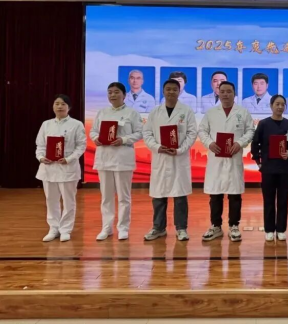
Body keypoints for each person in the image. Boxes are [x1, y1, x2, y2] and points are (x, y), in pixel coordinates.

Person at [198, 81, 255, 242]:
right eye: (222, 91)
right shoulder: (211, 113)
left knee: (235, 195)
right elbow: (202, 130)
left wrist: (240, 143)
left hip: (234, 158)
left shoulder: (242, 112)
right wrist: (210, 143)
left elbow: (250, 130)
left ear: (234, 94)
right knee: (215, 195)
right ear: (218, 93)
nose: (225, 94)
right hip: (216, 159)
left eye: (229, 91)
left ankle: (234, 226)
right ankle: (215, 226)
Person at [143, 79, 198, 241]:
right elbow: (147, 134)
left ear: (179, 91)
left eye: (175, 89)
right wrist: (157, 147)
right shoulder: (155, 112)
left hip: (178, 159)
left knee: (180, 196)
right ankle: (158, 228)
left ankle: (181, 228)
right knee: (159, 196)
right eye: (168, 89)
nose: (171, 92)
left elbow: (192, 133)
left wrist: (180, 150)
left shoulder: (186, 111)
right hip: (161, 157)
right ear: (163, 91)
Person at [90, 82, 143, 241]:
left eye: (116, 92)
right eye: (110, 92)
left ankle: (123, 228)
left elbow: (140, 133)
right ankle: (106, 228)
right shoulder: (102, 112)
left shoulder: (132, 113)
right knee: (106, 196)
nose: (112, 95)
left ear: (124, 95)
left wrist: (124, 139)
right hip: (104, 158)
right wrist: (96, 138)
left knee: (123, 197)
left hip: (122, 158)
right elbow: (93, 131)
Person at [36, 94, 87, 242]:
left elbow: (81, 146)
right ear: (53, 106)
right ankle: (53, 228)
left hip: (67, 167)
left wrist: (69, 159)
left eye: (63, 104)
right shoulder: (46, 124)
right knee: (51, 200)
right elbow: (40, 145)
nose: (59, 106)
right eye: (57, 103)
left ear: (69, 107)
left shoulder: (76, 124)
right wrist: (41, 157)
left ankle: (65, 229)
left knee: (68, 200)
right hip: (49, 168)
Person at [251, 95, 288, 241]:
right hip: (268, 168)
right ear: (271, 105)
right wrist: (258, 162)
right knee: (269, 199)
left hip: (285, 168)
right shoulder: (264, 124)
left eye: (282, 104)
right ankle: (269, 229)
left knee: (283, 199)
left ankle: (281, 229)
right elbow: (255, 143)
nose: (280, 107)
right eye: (277, 104)